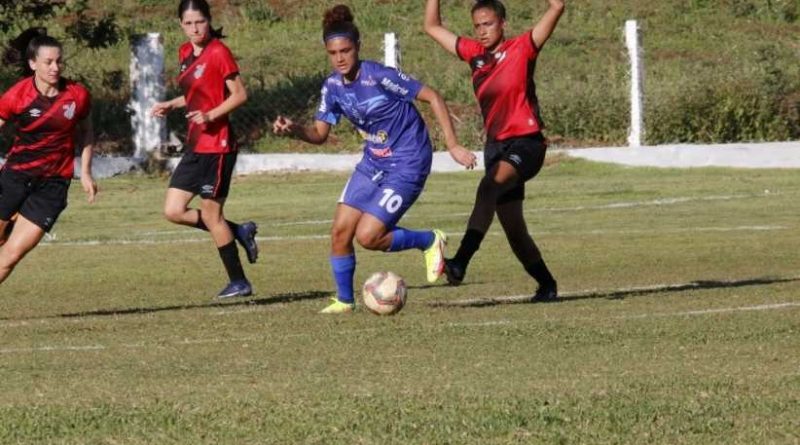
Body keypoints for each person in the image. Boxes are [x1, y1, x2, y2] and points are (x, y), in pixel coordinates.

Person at [273, 4, 477, 314]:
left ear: (358, 46)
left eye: (345, 50)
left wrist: (453, 145)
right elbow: (319, 134)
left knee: (368, 236)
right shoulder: (332, 87)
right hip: (374, 162)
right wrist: (294, 130)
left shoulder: (379, 76)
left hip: (409, 161)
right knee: (340, 231)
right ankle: (345, 300)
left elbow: (432, 96)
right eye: (333, 53)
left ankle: (428, 240)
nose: (340, 58)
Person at [424, 0, 565, 301]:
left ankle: (460, 262)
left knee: (489, 187)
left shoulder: (523, 47)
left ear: (503, 23)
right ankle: (547, 285)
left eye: (488, 24)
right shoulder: (474, 54)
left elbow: (557, 7)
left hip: (527, 143)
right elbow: (432, 27)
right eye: (477, 26)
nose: (482, 31)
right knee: (514, 229)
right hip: (496, 148)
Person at [152, 0, 259, 299]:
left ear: (209, 21)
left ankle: (239, 281)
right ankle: (238, 231)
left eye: (199, 22)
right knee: (173, 211)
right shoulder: (185, 52)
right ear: (181, 25)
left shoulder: (219, 52)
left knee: (213, 216)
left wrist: (211, 115)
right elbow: (197, 93)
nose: (195, 28)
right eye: (188, 23)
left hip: (219, 146)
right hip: (196, 145)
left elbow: (239, 95)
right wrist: (172, 104)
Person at [0, 28, 97, 284]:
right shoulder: (17, 95)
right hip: (14, 178)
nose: (55, 67)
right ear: (33, 64)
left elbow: (87, 132)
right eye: (48, 62)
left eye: (59, 61)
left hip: (53, 186)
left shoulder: (77, 95)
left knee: (11, 255)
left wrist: (86, 172)